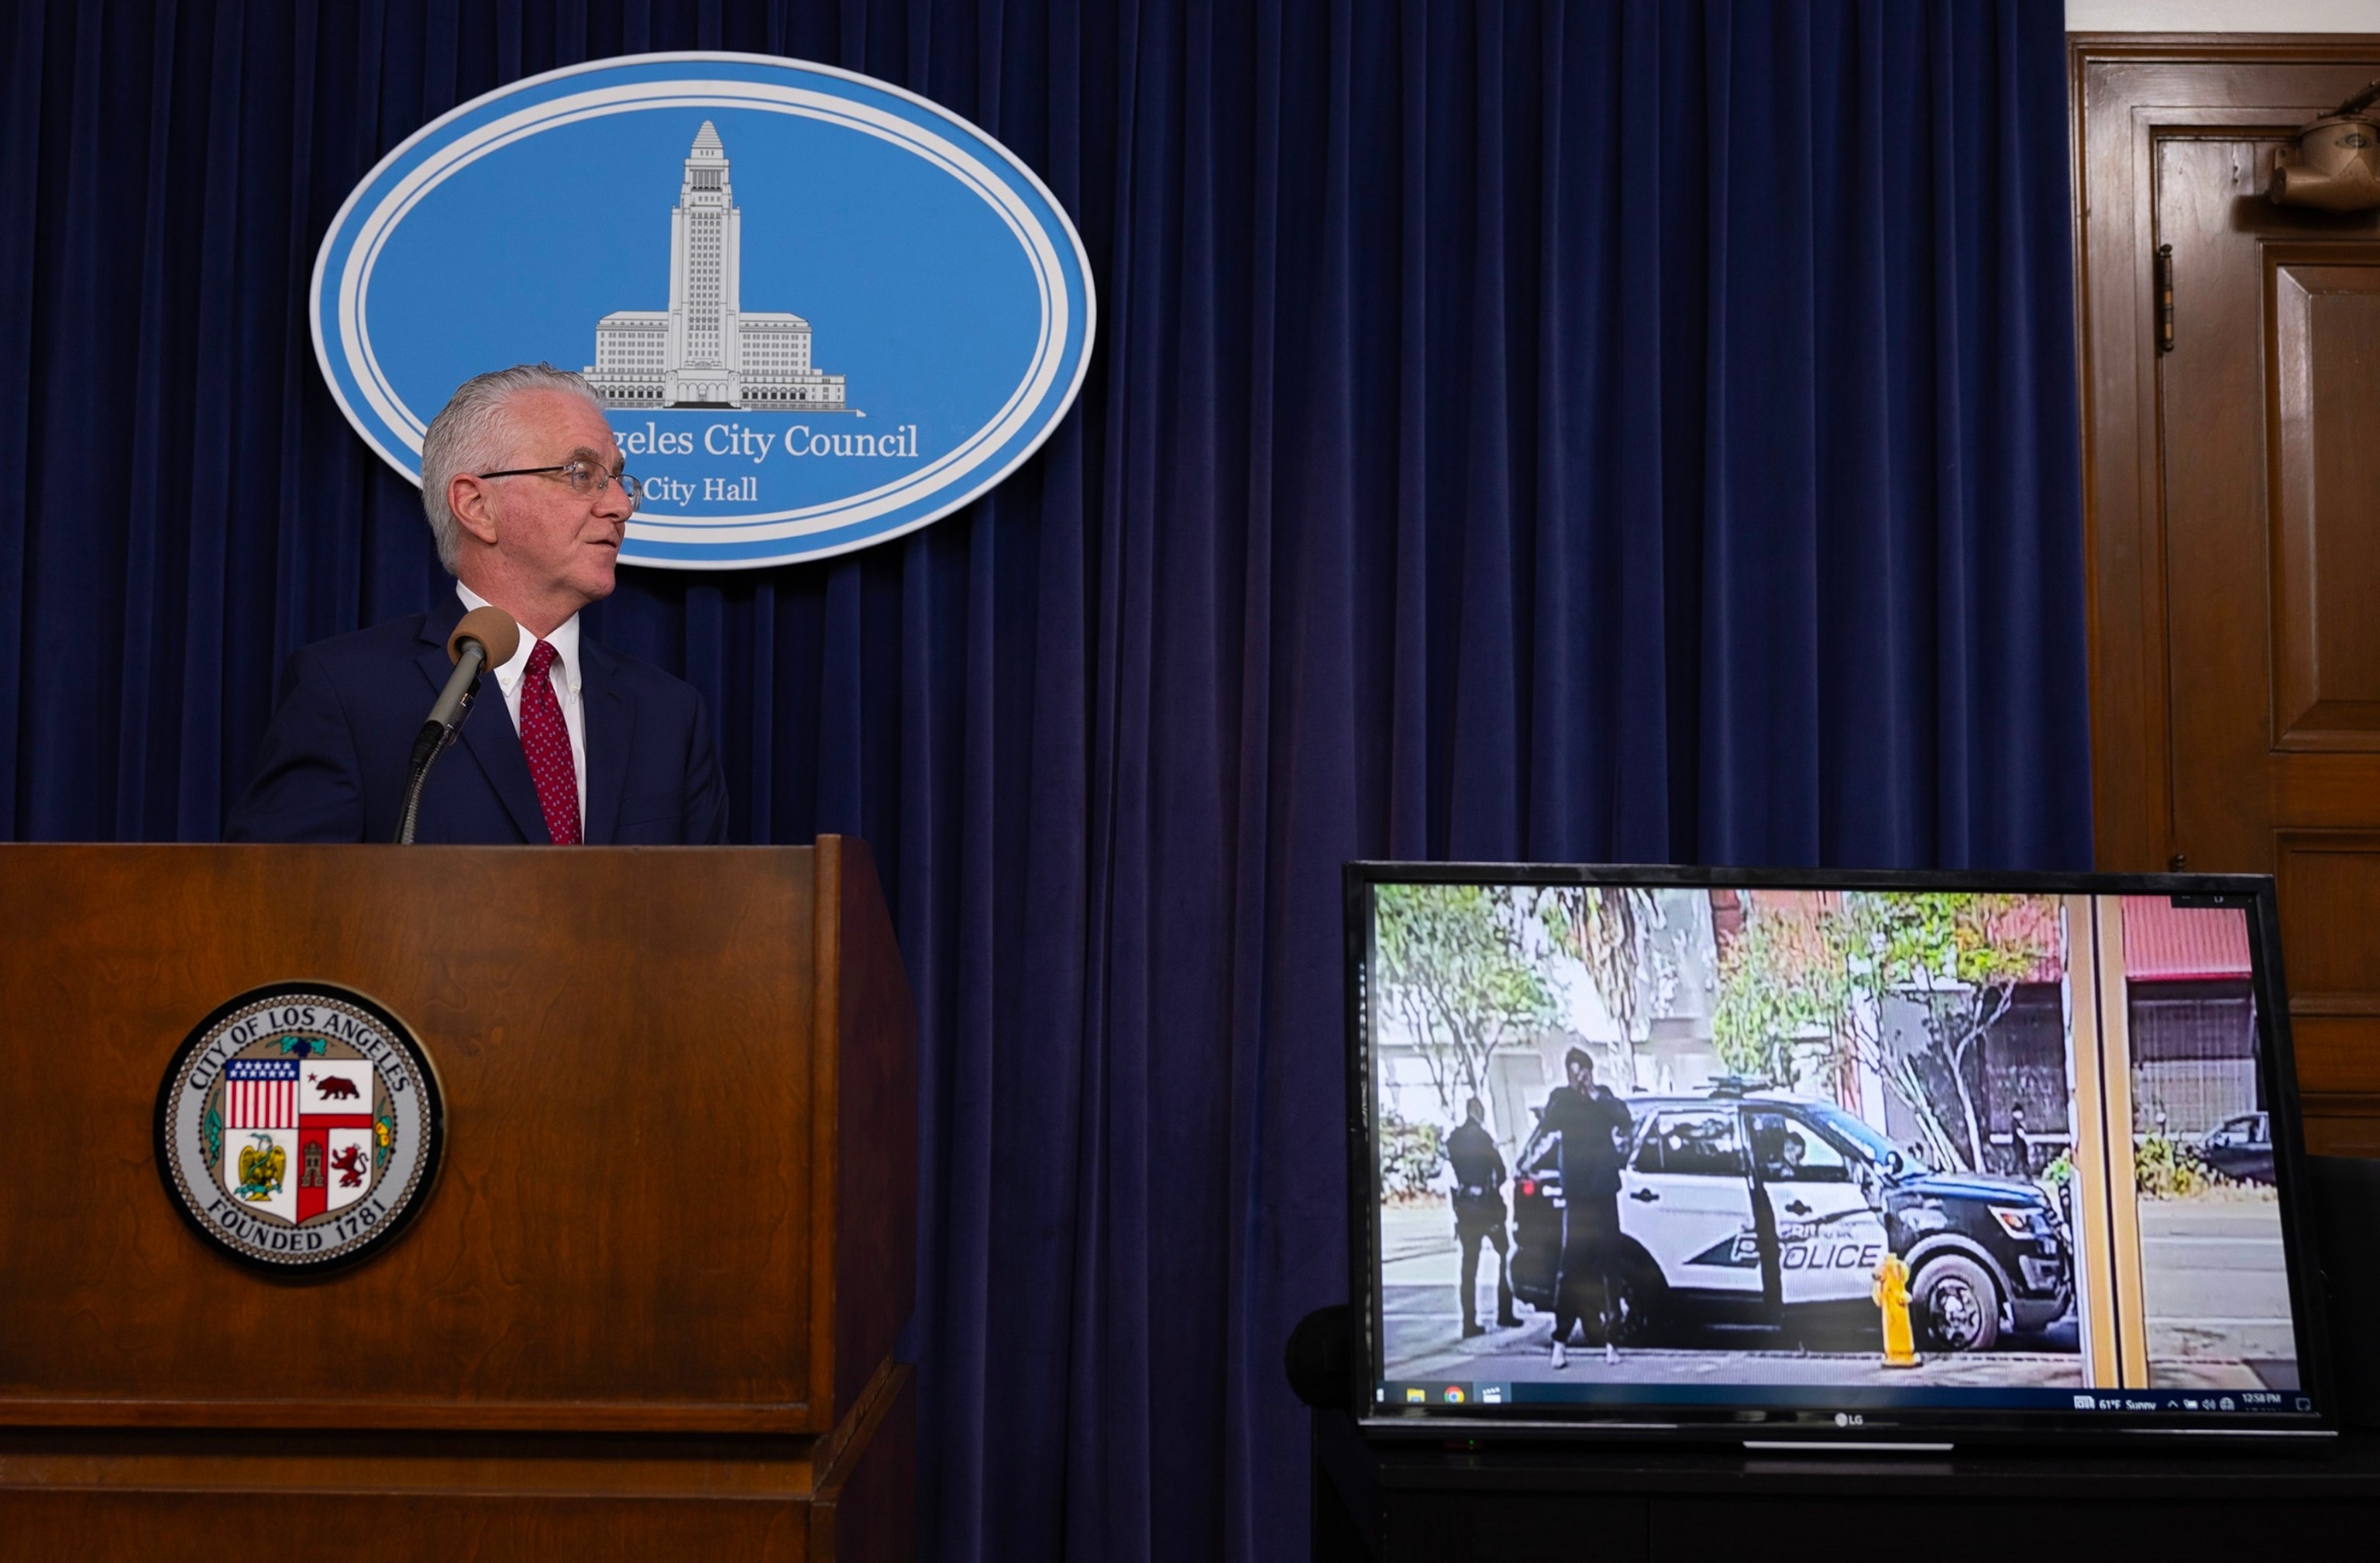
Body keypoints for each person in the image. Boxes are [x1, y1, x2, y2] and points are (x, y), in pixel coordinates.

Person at [226, 365, 729, 845]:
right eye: (581, 474)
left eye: (619, 478)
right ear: (476, 506)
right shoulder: (348, 692)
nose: (619, 505)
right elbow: (275, 906)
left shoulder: (670, 714)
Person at [1539, 1048, 1634, 1368]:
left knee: (1611, 1268)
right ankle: (1560, 1341)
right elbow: (1548, 1122)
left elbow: (1624, 1119)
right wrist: (1571, 1093)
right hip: (1577, 1198)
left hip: (1604, 1193)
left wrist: (1593, 1093)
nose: (1579, 1078)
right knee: (1570, 1270)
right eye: (1575, 1072)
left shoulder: (1603, 1099)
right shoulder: (1561, 1100)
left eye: (1584, 1072)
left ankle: (1613, 1341)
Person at [1445, 1097, 1520, 1338]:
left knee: (1469, 1266)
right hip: (1487, 1208)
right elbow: (1500, 1171)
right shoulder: (1485, 1139)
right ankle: (1504, 1313)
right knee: (1504, 1254)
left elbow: (1451, 1173)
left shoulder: (1454, 1140)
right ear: (1479, 1111)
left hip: (1465, 1208)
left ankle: (1469, 1323)